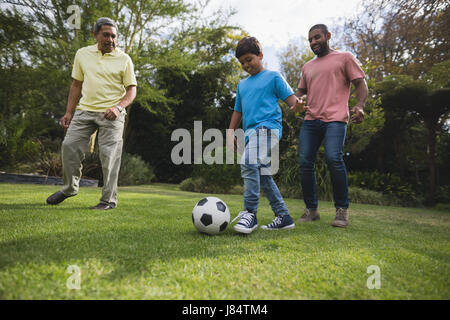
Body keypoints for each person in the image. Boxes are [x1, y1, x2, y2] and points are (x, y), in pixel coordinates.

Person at [46, 17, 137, 210]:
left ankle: (108, 201)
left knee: (109, 155)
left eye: (114, 36)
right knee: (69, 146)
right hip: (84, 111)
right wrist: (69, 112)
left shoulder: (124, 59)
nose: (110, 40)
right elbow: (76, 84)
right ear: (95, 35)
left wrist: (118, 108)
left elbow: (131, 90)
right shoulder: (82, 54)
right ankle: (70, 188)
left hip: (112, 114)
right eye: (106, 35)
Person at [291, 24, 368, 227]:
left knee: (333, 158)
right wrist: (297, 102)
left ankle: (341, 210)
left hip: (335, 119)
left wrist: (359, 105)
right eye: (310, 40)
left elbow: (361, 83)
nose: (313, 42)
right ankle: (311, 209)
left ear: (328, 36)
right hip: (310, 120)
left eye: (317, 37)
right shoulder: (307, 66)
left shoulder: (344, 58)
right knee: (305, 162)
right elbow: (300, 93)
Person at [228, 36, 307, 234]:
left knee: (248, 163)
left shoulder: (273, 77)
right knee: (262, 174)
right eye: (242, 62)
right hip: (250, 135)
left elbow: (292, 102)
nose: (246, 65)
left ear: (260, 55)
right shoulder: (242, 86)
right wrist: (230, 132)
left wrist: (297, 106)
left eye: (249, 59)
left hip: (268, 129)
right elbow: (238, 111)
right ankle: (283, 216)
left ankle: (250, 213)